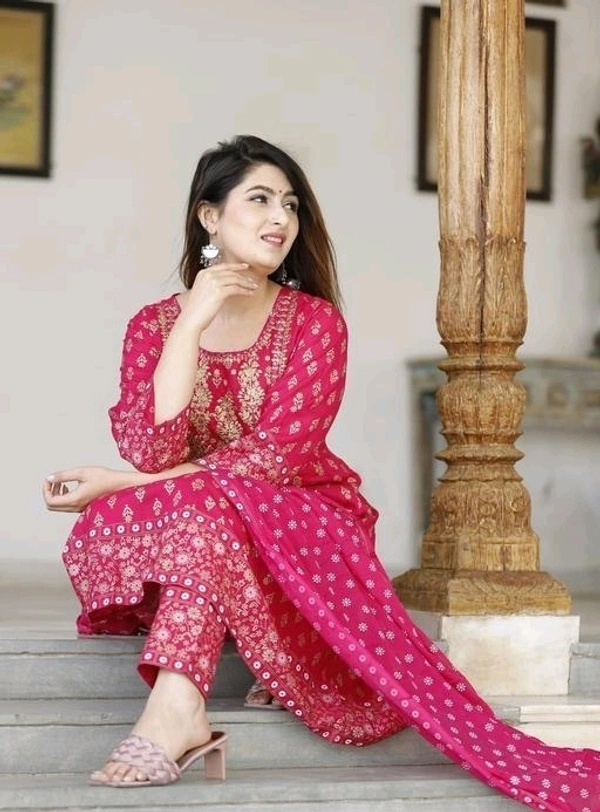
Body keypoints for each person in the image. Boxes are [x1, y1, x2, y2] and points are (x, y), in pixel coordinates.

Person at [44, 134, 600, 807]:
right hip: (203, 523)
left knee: (192, 508)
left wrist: (121, 484)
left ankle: (176, 709)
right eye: (259, 200)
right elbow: (151, 448)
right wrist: (190, 324)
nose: (280, 218)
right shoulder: (152, 325)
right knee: (148, 517)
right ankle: (240, 662)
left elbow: (272, 459)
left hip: (305, 519)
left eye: (290, 204)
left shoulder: (314, 323)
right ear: (208, 216)